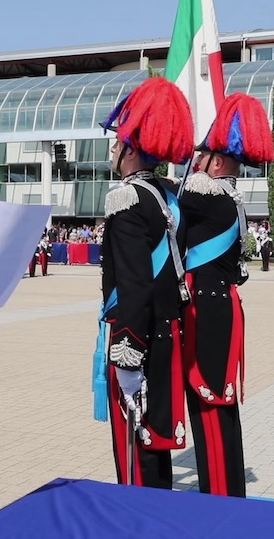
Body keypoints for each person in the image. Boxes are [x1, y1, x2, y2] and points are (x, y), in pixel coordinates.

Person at [96, 76, 193, 489]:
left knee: (136, 454)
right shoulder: (167, 198)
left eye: (119, 144)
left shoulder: (128, 200)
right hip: (166, 334)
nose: (115, 150)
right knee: (155, 446)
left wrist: (127, 356)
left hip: (137, 338)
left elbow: (134, 285)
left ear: (133, 149)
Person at [180, 93, 274, 496]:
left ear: (216, 163)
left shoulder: (207, 195)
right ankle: (226, 488)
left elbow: (176, 192)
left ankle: (219, 495)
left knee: (210, 405)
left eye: (203, 159)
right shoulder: (227, 198)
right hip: (220, 304)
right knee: (218, 408)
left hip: (207, 311)